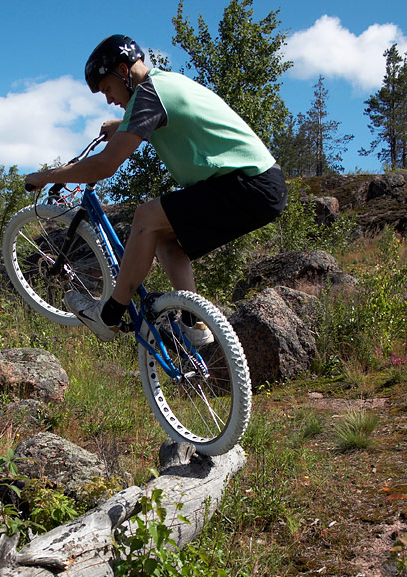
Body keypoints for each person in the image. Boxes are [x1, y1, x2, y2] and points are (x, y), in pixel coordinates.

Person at [24, 34, 288, 347]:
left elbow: (104, 166)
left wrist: (47, 176)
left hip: (248, 183)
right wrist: (123, 124)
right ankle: (193, 323)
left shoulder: (149, 95)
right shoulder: (164, 84)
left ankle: (108, 316)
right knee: (164, 238)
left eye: (107, 89)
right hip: (260, 186)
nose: (108, 99)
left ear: (124, 71)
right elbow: (166, 118)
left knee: (147, 216)